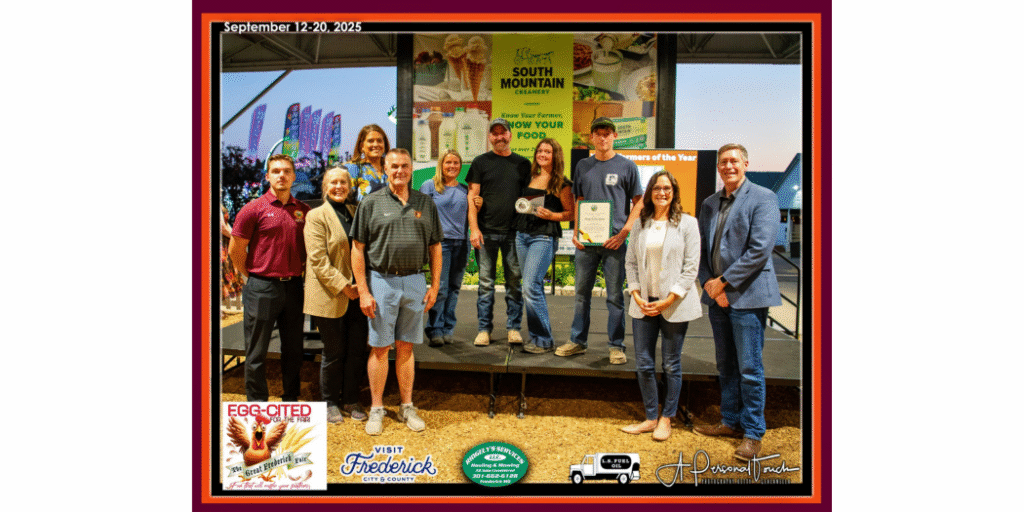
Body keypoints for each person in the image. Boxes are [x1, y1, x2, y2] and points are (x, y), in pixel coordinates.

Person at [694, 143, 782, 462]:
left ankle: (753, 432)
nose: (728, 166)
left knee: (749, 366)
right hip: (718, 296)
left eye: (734, 160)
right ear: (718, 167)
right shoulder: (709, 203)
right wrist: (710, 284)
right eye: (723, 162)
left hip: (748, 294)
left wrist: (724, 283)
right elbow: (703, 248)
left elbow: (760, 250)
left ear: (746, 163)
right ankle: (730, 421)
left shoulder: (763, 197)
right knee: (725, 365)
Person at [350, 148, 443, 435]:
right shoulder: (371, 202)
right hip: (382, 281)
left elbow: (436, 246)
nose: (399, 171)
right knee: (380, 347)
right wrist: (364, 290)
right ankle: (377, 408)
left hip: (415, 281)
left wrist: (435, 285)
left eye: (404, 166)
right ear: (386, 170)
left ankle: (406, 406)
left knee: (406, 347)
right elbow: (358, 248)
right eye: (394, 166)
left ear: (412, 169)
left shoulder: (425, 203)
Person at [620, 171, 701, 441]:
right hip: (643, 303)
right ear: (649, 193)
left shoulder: (688, 224)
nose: (662, 192)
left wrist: (670, 298)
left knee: (671, 364)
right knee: (643, 363)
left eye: (667, 188)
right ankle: (651, 416)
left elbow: (691, 268)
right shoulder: (640, 224)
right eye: (656, 188)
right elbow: (630, 263)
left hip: (674, 304)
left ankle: (667, 418)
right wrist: (635, 292)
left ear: (674, 192)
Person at [556, 117, 644, 365]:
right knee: (581, 295)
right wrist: (575, 231)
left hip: (614, 243)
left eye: (607, 133)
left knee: (615, 296)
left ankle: (616, 346)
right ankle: (577, 341)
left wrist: (624, 232)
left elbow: (639, 202)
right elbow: (580, 199)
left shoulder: (627, 166)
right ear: (591, 138)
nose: (603, 138)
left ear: (614, 136)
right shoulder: (583, 165)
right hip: (587, 242)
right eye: (598, 133)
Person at [228, 154, 311, 402]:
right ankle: (257, 402)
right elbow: (235, 250)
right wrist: (254, 276)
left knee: (294, 349)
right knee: (256, 351)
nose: (281, 175)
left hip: (295, 287)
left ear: (294, 176)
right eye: (275, 171)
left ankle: (291, 399)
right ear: (268, 176)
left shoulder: (303, 211)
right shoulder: (253, 209)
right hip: (262, 287)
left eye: (286, 171)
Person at [303, 166, 368, 423]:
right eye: (333, 182)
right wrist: (345, 286)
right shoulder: (316, 216)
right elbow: (318, 260)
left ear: (349, 186)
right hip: (331, 294)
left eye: (343, 182)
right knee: (333, 351)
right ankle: (329, 401)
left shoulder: (356, 212)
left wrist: (360, 287)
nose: (339, 186)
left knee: (356, 350)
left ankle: (351, 398)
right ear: (325, 187)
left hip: (357, 294)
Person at [465, 118, 531, 347]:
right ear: (489, 137)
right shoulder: (480, 163)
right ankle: (484, 329)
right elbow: (471, 198)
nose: (499, 137)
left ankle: (514, 328)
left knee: (515, 282)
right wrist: (474, 228)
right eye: (495, 133)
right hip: (485, 233)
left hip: (515, 234)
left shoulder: (523, 164)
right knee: (485, 284)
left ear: (510, 135)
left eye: (503, 133)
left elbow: (529, 198)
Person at [513, 138, 574, 354]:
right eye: (540, 150)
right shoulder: (530, 178)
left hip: (544, 237)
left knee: (530, 286)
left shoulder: (562, 184)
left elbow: (571, 213)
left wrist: (552, 215)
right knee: (531, 287)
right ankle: (538, 337)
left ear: (555, 155)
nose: (542, 154)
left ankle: (544, 340)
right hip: (522, 235)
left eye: (547, 151)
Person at [420, 150, 470, 347]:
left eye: (456, 163)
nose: (452, 166)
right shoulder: (429, 186)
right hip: (440, 244)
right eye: (448, 162)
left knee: (454, 288)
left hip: (461, 243)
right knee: (439, 288)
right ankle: (435, 329)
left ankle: (449, 328)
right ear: (441, 164)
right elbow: (421, 215)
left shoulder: (465, 189)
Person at [345, 124, 391, 201]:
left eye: (379, 141)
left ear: (385, 145)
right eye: (370, 141)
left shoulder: (392, 169)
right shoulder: (353, 169)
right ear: (362, 146)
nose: (376, 144)